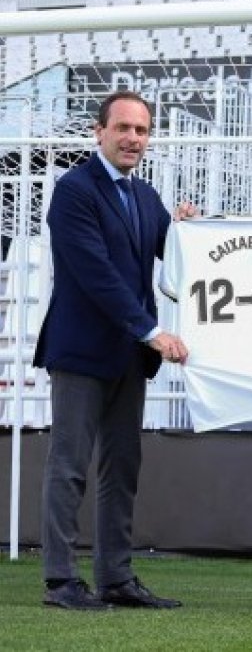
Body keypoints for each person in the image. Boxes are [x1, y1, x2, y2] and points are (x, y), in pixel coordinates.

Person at [34, 90, 196, 610]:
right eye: (123, 128)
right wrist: (151, 331)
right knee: (70, 465)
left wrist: (191, 230)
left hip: (128, 354)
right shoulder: (73, 191)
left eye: (141, 130)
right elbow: (96, 274)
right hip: (82, 351)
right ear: (98, 132)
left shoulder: (145, 196)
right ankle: (61, 581)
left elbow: (177, 254)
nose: (132, 138)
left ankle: (115, 578)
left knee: (122, 467)